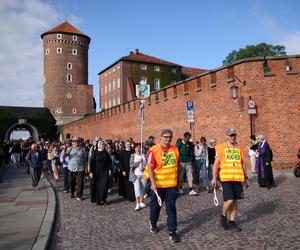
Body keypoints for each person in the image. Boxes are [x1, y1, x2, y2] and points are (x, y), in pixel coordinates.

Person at [211, 128, 250, 232]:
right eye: (231, 135)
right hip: (226, 178)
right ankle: (223, 215)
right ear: (226, 136)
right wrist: (214, 177)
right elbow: (215, 164)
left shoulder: (239, 148)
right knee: (230, 200)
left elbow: (242, 164)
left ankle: (232, 221)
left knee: (235, 201)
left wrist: (246, 178)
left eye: (234, 135)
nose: (233, 137)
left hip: (237, 178)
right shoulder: (220, 147)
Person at [148, 128, 180, 243]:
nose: (168, 139)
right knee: (156, 207)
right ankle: (153, 223)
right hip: (158, 186)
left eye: (170, 137)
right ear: (161, 137)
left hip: (171, 184)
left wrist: (178, 183)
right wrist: (152, 183)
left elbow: (178, 167)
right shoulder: (153, 150)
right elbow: (150, 168)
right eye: (165, 137)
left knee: (171, 208)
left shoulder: (175, 149)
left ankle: (172, 231)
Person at [62, 136, 87, 201]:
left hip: (80, 168)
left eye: (77, 141)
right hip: (71, 168)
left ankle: (79, 195)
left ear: (79, 142)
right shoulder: (69, 149)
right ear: (72, 142)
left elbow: (85, 159)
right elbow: (64, 156)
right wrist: (64, 150)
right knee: (71, 181)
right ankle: (72, 192)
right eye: (74, 141)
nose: (76, 142)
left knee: (80, 182)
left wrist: (86, 167)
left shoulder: (82, 149)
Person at [90, 140, 112, 205]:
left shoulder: (106, 153)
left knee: (105, 186)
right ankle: (98, 200)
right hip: (96, 172)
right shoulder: (95, 153)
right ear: (98, 145)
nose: (102, 145)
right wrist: (91, 172)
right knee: (97, 187)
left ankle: (104, 199)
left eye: (103, 144)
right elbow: (91, 163)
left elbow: (110, 162)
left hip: (105, 171)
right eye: (101, 144)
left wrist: (110, 170)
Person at [129, 143, 146, 211]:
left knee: (143, 188)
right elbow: (131, 165)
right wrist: (138, 162)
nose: (139, 148)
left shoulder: (144, 155)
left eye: (140, 147)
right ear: (135, 148)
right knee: (137, 189)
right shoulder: (133, 156)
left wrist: (144, 168)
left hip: (143, 174)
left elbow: (147, 164)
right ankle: (137, 203)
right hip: (135, 175)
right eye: (137, 147)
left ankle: (142, 202)